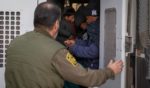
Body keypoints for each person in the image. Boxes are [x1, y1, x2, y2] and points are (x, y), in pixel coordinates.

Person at [5, 2, 123, 88]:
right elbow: (85, 78)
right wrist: (110, 71)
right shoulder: (57, 51)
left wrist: (76, 43)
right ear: (56, 24)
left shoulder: (15, 42)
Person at [65, 5, 100, 69]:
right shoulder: (93, 27)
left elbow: (93, 52)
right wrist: (75, 42)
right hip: (89, 61)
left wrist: (73, 48)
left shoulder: (97, 28)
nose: (86, 21)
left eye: (87, 18)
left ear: (93, 16)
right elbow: (88, 43)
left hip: (92, 65)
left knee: (70, 67)